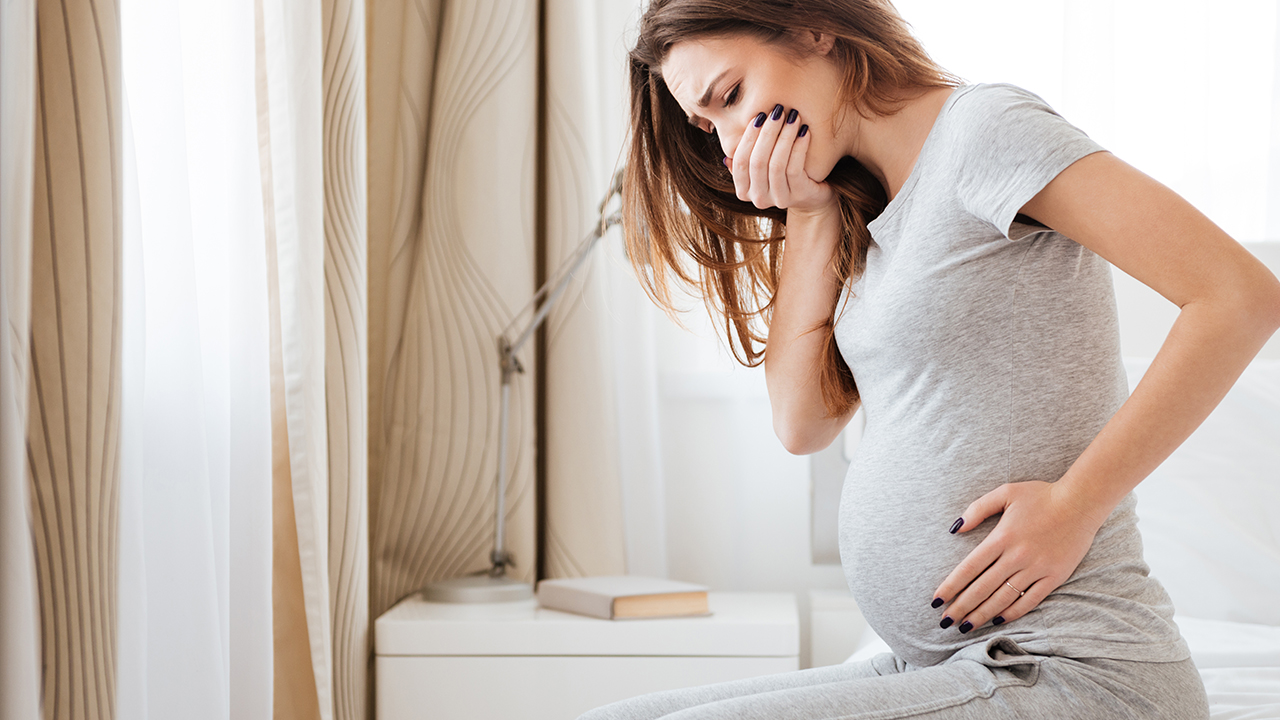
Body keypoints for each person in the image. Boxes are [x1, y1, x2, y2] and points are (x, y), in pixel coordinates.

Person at [580, 1, 1280, 718]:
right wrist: (812, 215)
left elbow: (1239, 296)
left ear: (811, 29)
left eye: (730, 97)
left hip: (1071, 670)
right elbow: (802, 424)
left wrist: (1076, 504)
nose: (732, 146)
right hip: (944, 664)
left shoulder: (985, 131)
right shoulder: (863, 210)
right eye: (710, 127)